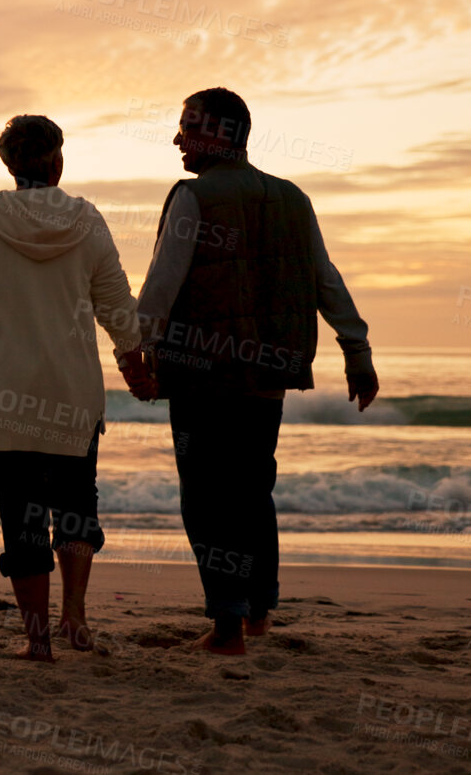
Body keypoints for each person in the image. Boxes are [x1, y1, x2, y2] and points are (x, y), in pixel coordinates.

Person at [132, 87, 379, 656]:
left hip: (203, 374)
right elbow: (325, 278)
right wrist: (356, 348)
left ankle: (225, 627)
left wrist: (135, 350)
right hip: (267, 374)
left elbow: (162, 286)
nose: (177, 139)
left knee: (205, 496)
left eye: (187, 127)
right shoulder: (293, 198)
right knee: (252, 489)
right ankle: (258, 612)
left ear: (220, 134)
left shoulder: (193, 198)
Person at [0, 115, 152, 661]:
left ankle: (37, 641)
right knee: (77, 506)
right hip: (70, 393)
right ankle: (74, 618)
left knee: (22, 515)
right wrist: (133, 361)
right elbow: (116, 303)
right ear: (58, 160)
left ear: (8, 164)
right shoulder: (87, 221)